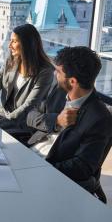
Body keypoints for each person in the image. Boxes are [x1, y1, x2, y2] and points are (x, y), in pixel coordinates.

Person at [31, 46, 112, 194]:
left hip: (51, 174)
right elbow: (30, 117)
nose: (55, 74)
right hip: (29, 153)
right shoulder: (57, 90)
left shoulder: (100, 118)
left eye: (59, 72)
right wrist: (56, 121)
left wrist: (39, 168)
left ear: (73, 81)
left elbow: (82, 167)